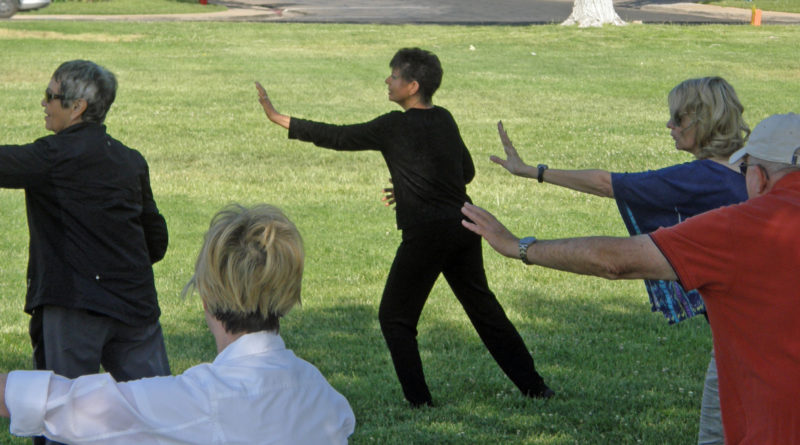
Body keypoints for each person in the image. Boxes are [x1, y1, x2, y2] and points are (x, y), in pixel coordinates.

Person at [461, 113, 800, 444]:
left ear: (758, 176)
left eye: (745, 169)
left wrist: (517, 246)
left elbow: (613, 261)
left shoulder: (742, 228)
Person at [255, 47, 553, 407]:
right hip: (464, 226)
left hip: (427, 234)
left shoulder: (391, 127)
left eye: (393, 76)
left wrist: (277, 117)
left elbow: (339, 136)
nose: (387, 80)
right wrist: (413, 187)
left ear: (412, 86)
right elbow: (466, 173)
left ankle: (421, 403)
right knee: (484, 310)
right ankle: (536, 388)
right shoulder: (444, 118)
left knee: (395, 317)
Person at [1, 203, 357, 444]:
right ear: (287, 295)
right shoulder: (325, 397)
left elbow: (65, 405)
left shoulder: (200, 399)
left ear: (206, 297)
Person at [0, 60, 170, 444]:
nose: (43, 103)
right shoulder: (130, 160)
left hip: (74, 309)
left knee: (63, 417)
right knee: (157, 415)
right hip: (136, 307)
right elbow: (155, 241)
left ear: (76, 107)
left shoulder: (51, 157)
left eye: (50, 96)